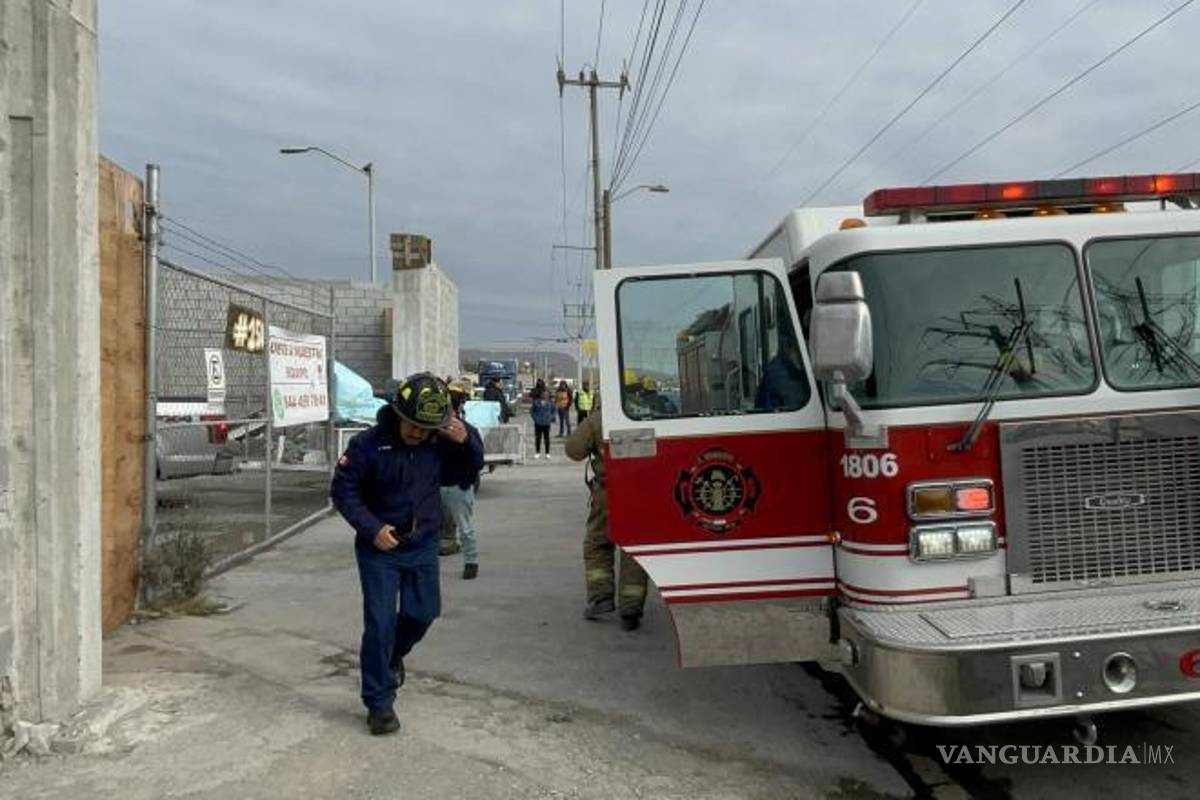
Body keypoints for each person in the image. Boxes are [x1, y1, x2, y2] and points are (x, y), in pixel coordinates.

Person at [330, 372, 484, 736]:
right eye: (412, 425)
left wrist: (469, 442)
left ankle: (393, 656)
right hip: (380, 549)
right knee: (380, 623)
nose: (417, 433)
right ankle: (379, 703)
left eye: (425, 428)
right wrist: (372, 528)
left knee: (423, 613)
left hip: (422, 544)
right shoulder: (368, 446)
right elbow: (343, 490)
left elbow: (467, 471)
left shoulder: (437, 444)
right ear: (397, 413)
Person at [564, 405, 648, 631]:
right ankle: (631, 608)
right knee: (634, 549)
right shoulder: (652, 414)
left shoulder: (598, 419)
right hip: (643, 492)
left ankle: (601, 598)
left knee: (597, 543)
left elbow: (573, 450)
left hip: (608, 492)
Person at [441, 382, 481, 580]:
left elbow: (477, 460)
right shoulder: (433, 433)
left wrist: (466, 481)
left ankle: (471, 563)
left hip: (458, 487)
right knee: (427, 528)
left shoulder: (468, 431)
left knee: (465, 528)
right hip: (436, 487)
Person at [754, 338, 809, 411]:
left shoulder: (788, 368)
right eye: (799, 351)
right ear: (787, 349)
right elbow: (794, 400)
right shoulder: (779, 372)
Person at [529, 379, 555, 459]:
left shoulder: (550, 403)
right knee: (538, 438)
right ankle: (537, 452)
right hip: (538, 422)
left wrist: (551, 417)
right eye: (543, 394)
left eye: (546, 394)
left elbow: (554, 410)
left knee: (547, 438)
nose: (544, 395)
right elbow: (532, 411)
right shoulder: (536, 402)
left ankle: (547, 453)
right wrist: (535, 418)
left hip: (547, 422)